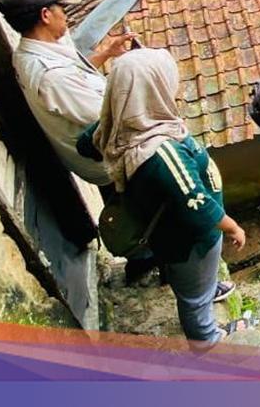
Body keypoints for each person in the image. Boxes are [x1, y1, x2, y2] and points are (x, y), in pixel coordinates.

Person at [84, 48, 247, 347]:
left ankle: (204, 289)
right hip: (190, 240)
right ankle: (205, 339)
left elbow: (86, 144)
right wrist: (232, 226)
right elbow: (195, 204)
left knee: (191, 280)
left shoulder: (123, 126)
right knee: (194, 298)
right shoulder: (161, 151)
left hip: (167, 233)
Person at [0, 0, 134, 188]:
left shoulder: (27, 53)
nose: (66, 15)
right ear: (46, 15)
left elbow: (76, 82)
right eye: (62, 9)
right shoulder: (52, 76)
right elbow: (115, 120)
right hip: (109, 165)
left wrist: (106, 53)